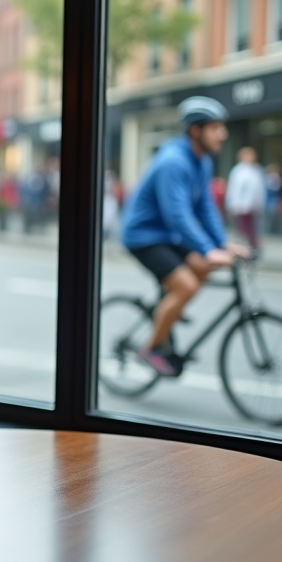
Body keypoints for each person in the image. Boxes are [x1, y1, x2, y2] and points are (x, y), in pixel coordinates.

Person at [120, 96, 249, 377]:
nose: (223, 134)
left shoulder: (201, 162)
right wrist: (206, 247)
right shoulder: (173, 162)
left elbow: (205, 208)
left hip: (166, 234)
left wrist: (220, 244)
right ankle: (150, 349)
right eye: (215, 128)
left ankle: (169, 309)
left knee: (204, 266)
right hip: (144, 236)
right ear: (195, 131)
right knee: (187, 285)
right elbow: (177, 215)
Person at [225, 147, 267, 253]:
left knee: (252, 229)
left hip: (252, 206)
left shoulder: (256, 170)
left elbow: (259, 189)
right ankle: (241, 248)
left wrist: (259, 204)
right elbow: (233, 189)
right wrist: (231, 203)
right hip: (239, 205)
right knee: (241, 228)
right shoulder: (237, 170)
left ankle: (253, 248)